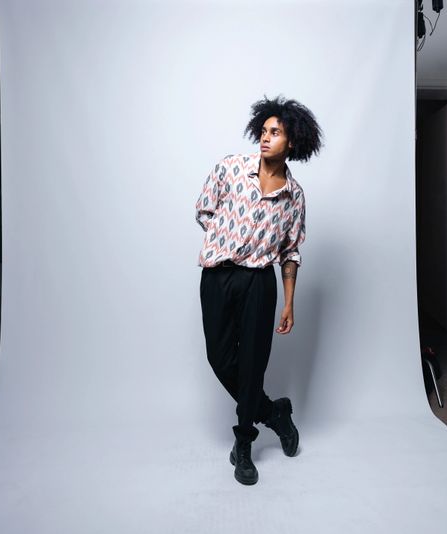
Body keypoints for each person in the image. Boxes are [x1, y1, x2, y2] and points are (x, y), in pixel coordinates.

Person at [195, 95, 323, 485]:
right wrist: (227, 242)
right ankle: (274, 414)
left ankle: (244, 445)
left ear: (292, 141)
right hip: (218, 276)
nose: (265, 138)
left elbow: (290, 252)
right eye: (264, 131)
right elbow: (204, 209)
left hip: (259, 283)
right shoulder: (230, 168)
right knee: (220, 358)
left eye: (276, 132)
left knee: (252, 363)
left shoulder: (294, 196)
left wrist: (289, 302)